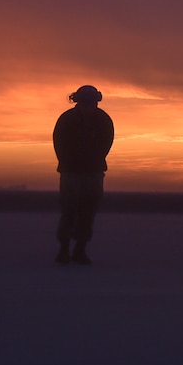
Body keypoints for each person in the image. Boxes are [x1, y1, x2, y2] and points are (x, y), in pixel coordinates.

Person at [53, 85, 115, 265]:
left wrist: (92, 161)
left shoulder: (103, 120)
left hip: (93, 173)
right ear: (78, 102)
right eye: (86, 103)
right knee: (69, 210)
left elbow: (106, 144)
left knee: (88, 211)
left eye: (92, 103)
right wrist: (71, 163)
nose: (89, 107)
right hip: (71, 173)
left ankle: (80, 249)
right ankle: (64, 250)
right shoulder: (66, 120)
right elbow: (60, 145)